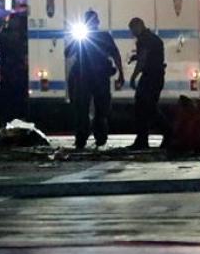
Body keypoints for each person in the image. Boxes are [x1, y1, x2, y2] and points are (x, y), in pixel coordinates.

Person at [65, 9, 125, 149]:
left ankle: (88, 137)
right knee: (92, 109)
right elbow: (115, 55)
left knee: (90, 109)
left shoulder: (100, 37)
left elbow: (67, 53)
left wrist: (121, 73)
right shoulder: (103, 37)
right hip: (94, 76)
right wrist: (121, 74)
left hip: (88, 76)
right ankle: (94, 137)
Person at [128, 17, 169, 149]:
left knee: (144, 107)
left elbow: (143, 59)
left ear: (138, 26)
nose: (132, 33)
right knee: (147, 107)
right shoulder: (152, 38)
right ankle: (144, 139)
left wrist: (133, 76)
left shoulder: (144, 39)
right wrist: (137, 57)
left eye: (132, 30)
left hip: (150, 77)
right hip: (156, 76)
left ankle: (166, 132)